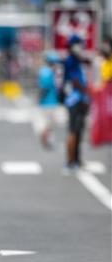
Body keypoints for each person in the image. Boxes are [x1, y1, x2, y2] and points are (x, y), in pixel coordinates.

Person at [61, 35, 90, 173]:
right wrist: (86, 92)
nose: (81, 47)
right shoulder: (70, 60)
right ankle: (70, 161)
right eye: (79, 44)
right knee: (73, 130)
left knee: (79, 131)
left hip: (80, 99)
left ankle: (77, 160)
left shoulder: (77, 60)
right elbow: (74, 81)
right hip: (74, 100)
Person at [36, 51, 60, 149]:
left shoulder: (44, 71)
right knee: (48, 123)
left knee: (47, 122)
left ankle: (45, 139)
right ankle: (45, 140)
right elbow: (44, 87)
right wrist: (39, 97)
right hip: (49, 102)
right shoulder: (49, 72)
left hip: (47, 101)